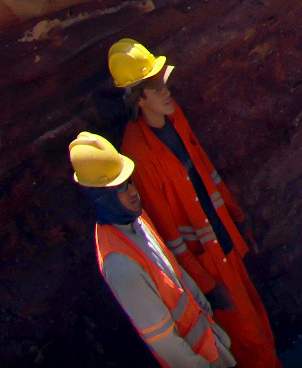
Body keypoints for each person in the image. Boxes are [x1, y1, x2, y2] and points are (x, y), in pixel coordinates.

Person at [108, 41, 276, 368]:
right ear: (139, 99)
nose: (167, 92)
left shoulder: (175, 117)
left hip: (223, 241)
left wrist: (237, 219)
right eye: (157, 87)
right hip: (207, 262)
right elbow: (167, 233)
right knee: (246, 339)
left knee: (256, 319)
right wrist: (207, 285)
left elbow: (204, 167)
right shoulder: (139, 157)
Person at [70, 130, 236, 367]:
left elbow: (176, 274)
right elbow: (163, 341)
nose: (133, 191)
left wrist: (211, 323)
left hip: (212, 346)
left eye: (129, 181)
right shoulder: (119, 264)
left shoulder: (136, 218)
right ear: (101, 197)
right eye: (120, 188)